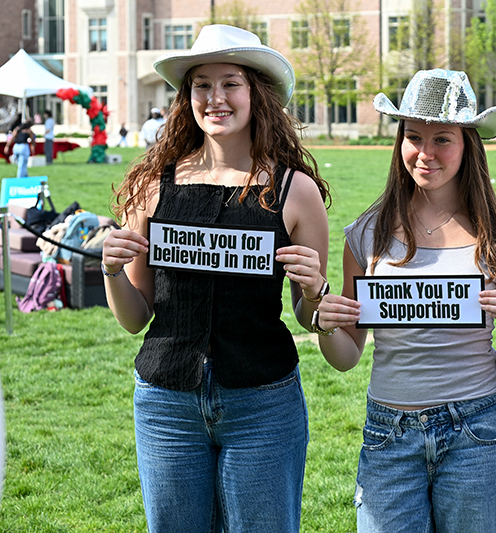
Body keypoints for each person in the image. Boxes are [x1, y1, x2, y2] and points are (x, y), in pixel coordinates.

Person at [101, 24, 330, 532]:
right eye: (202, 84)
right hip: (166, 402)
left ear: (256, 94)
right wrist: (112, 270)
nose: (215, 98)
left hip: (263, 401)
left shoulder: (296, 191)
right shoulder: (153, 186)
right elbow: (135, 317)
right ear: (187, 97)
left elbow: (309, 316)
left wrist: (317, 290)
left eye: (230, 83)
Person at [313, 69, 496, 532]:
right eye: (413, 137)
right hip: (388, 434)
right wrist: (326, 323)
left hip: (477, 431)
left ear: (468, 144)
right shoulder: (366, 235)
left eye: (443, 139)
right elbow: (345, 357)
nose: (426, 153)